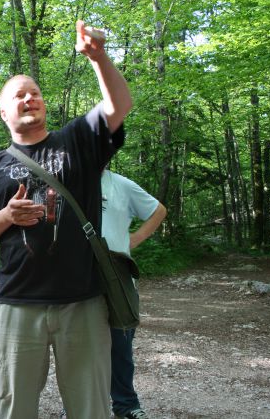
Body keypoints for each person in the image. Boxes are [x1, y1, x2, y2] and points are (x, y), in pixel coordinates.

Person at [0, 20, 133, 419]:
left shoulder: (76, 142)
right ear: (4, 111)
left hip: (83, 302)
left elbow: (119, 105)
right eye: (19, 95)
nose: (29, 99)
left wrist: (98, 57)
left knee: (91, 408)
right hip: (18, 305)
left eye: (34, 93)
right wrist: (6, 215)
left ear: (43, 104)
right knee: (15, 407)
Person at [101, 170, 166, 419]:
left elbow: (158, 210)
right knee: (79, 348)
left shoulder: (121, 184)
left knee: (121, 344)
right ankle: (76, 405)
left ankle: (126, 405)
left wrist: (134, 239)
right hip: (77, 280)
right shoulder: (68, 183)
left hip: (118, 276)